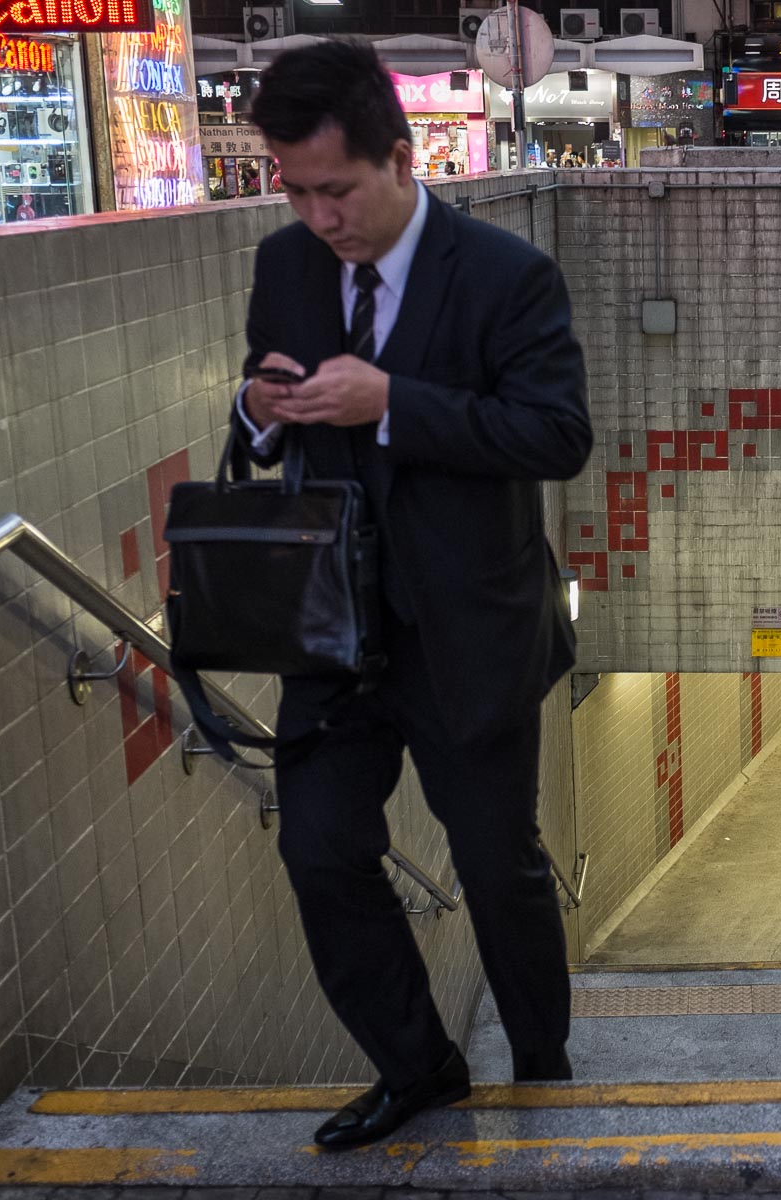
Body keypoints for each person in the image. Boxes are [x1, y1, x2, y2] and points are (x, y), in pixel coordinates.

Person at [236, 39, 590, 1150]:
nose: (317, 215)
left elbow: (556, 436)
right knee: (320, 853)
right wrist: (257, 408)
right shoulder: (285, 266)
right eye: (294, 190)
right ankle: (419, 1067)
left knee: (498, 868)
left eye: (335, 189)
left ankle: (542, 1067)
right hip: (331, 632)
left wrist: (392, 402)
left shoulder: (504, 274)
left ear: (401, 156)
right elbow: (260, 406)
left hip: (466, 634)